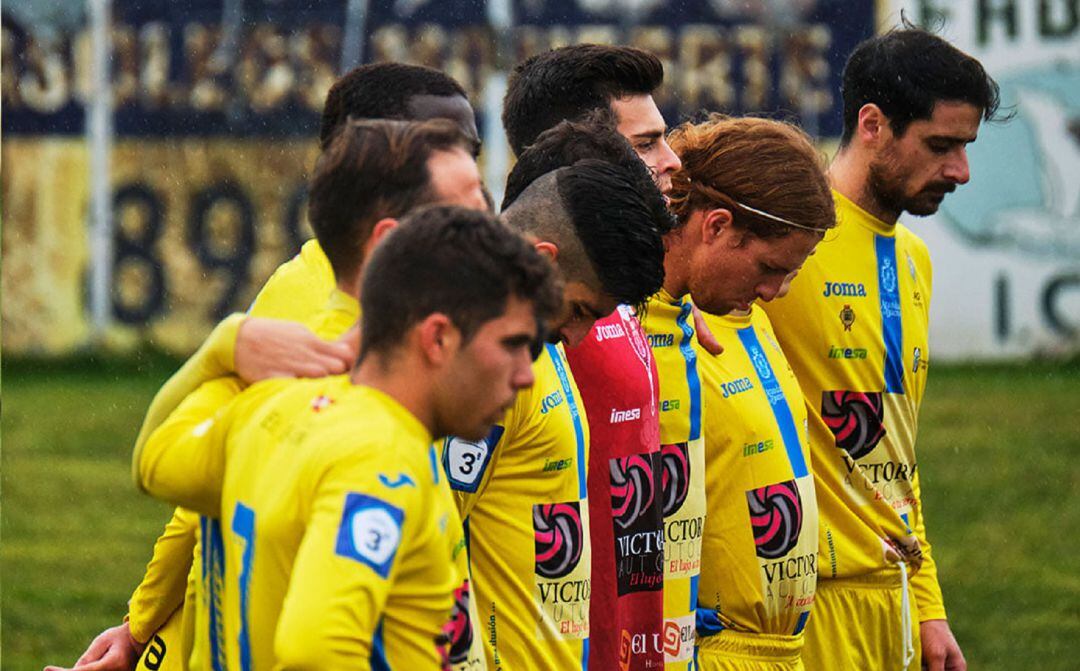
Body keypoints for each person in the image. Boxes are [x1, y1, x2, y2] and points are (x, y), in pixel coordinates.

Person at [47, 61, 487, 670]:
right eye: (441, 151)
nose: (487, 216)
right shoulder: (314, 321)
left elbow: (175, 458)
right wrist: (142, 625)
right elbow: (200, 493)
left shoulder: (417, 323)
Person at [137, 204, 561, 669]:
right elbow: (315, 652)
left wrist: (224, 347)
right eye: (513, 346)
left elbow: (155, 461)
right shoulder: (382, 458)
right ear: (437, 338)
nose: (525, 375)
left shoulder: (265, 403)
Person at [760, 25, 1004, 671]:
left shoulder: (914, 259)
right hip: (798, 609)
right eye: (940, 145)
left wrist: (927, 605)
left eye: (965, 147)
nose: (961, 170)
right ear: (872, 124)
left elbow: (891, 454)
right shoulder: (782, 245)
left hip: (890, 600)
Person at [444, 158, 669, 670]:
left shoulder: (535, 343)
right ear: (544, 261)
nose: (578, 335)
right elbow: (427, 543)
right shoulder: (472, 356)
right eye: (580, 311)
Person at [501, 44, 681, 671]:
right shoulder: (526, 327)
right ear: (587, 150)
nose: (670, 161)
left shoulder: (610, 292)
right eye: (647, 145)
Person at [661, 116, 836, 670]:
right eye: (769, 268)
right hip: (706, 652)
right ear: (715, 226)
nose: (774, 292)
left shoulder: (739, 313)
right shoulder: (631, 329)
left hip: (781, 650)